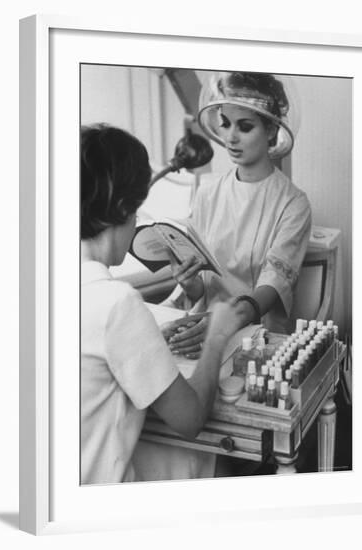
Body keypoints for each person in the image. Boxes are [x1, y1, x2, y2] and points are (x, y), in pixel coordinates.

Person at [80, 123, 242, 485]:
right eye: (136, 209)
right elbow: (189, 419)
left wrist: (149, 336)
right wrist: (217, 335)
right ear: (123, 208)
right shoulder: (116, 303)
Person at [166, 71, 312, 358]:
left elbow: (273, 285)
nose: (230, 137)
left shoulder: (293, 204)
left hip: (256, 338)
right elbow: (202, 288)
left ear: (271, 130)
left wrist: (224, 323)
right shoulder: (208, 193)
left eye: (245, 126)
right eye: (225, 124)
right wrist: (189, 282)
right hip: (203, 330)